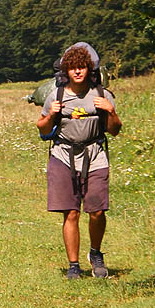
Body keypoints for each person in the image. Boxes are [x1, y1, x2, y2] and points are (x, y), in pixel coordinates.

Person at [34, 43, 122, 279]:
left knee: (97, 212)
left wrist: (111, 112)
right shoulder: (57, 95)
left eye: (82, 67)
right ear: (66, 71)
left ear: (89, 69)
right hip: (63, 156)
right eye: (73, 68)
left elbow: (114, 130)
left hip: (95, 155)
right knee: (71, 213)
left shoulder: (103, 95)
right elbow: (41, 128)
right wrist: (51, 113)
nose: (78, 72)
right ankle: (73, 265)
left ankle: (95, 254)